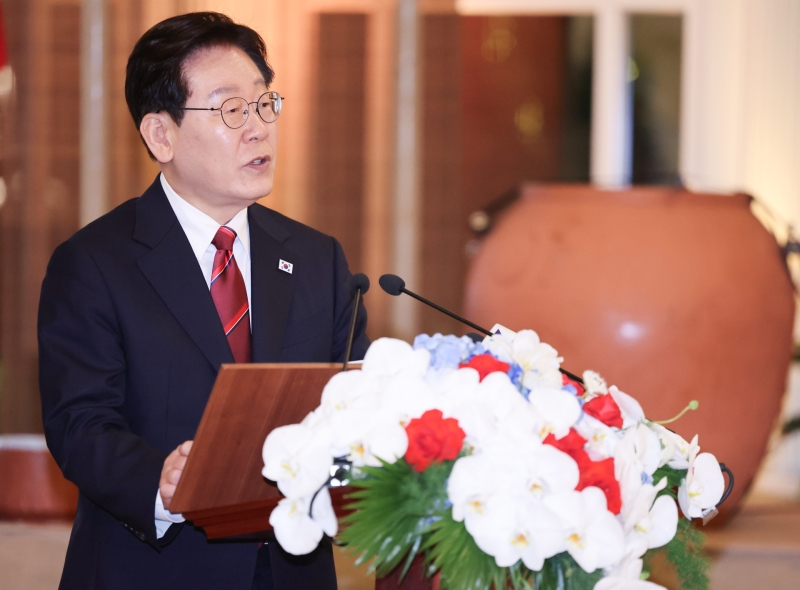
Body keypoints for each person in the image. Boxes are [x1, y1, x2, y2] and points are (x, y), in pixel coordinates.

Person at [38, 12, 368, 590]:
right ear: (160, 135)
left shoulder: (319, 259)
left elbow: (358, 398)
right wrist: (159, 480)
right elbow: (80, 423)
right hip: (154, 571)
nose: (258, 128)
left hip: (292, 572)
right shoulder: (94, 263)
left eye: (264, 103)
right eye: (230, 109)